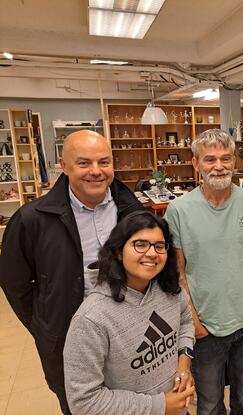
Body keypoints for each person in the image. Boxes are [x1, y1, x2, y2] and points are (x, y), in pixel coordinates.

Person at [0, 130, 142, 415]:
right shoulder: (32, 220)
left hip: (129, 339)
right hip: (68, 344)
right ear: (63, 166)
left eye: (104, 162)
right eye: (84, 163)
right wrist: (46, 326)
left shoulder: (133, 212)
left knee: (132, 405)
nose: (96, 172)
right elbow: (15, 285)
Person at [164, 129, 243, 415]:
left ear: (235, 161)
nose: (219, 166)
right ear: (195, 163)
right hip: (206, 327)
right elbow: (179, 273)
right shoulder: (179, 210)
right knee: (210, 403)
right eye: (210, 159)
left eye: (226, 158)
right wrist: (194, 324)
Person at [63, 211, 195, 415]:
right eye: (140, 244)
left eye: (159, 246)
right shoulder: (91, 319)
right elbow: (84, 402)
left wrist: (184, 364)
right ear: (118, 251)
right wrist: (160, 406)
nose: (152, 253)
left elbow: (186, 322)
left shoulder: (169, 288)